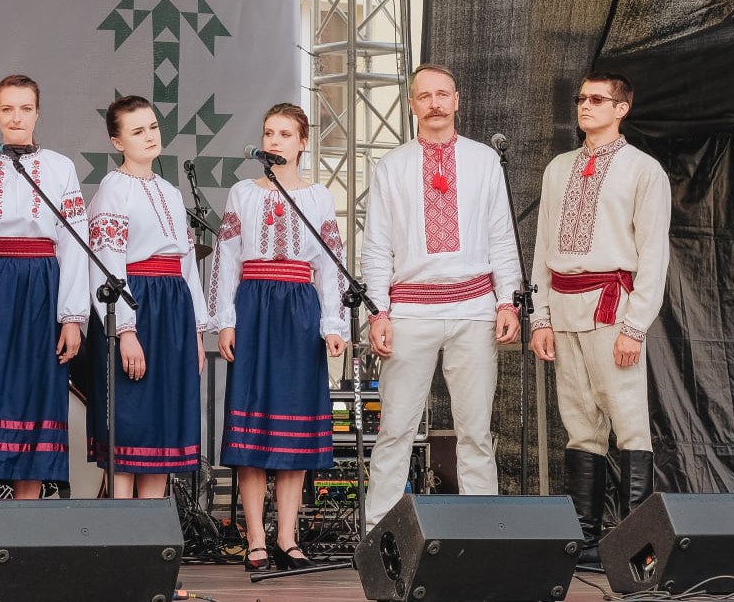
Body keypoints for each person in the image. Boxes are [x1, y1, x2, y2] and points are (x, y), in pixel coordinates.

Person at [360, 65, 522, 529]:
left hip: (474, 308)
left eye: (442, 94)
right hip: (410, 309)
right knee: (396, 429)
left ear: (457, 100)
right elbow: (376, 246)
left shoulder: (484, 160)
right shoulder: (391, 165)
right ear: (411, 104)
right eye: (424, 95)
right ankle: (380, 534)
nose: (434, 103)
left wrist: (507, 301)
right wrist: (378, 312)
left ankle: (484, 534)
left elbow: (501, 238)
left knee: (476, 432)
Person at [530, 72, 670, 546]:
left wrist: (636, 325)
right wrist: (540, 316)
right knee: (579, 425)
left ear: (621, 108)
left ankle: (634, 542)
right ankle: (587, 539)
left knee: (629, 422)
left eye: (596, 99)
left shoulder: (643, 169)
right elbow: (543, 245)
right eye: (581, 98)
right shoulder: (558, 168)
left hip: (613, 308)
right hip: (564, 305)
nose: (585, 106)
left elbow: (653, 254)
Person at [208, 103, 346, 572]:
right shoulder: (243, 193)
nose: (274, 141)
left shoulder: (319, 198)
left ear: (303, 143)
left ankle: (288, 538)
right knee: (252, 430)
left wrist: (333, 325)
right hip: (254, 308)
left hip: (299, 311)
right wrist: (224, 319)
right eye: (269, 132)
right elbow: (226, 260)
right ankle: (255, 539)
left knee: (294, 431)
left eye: (285, 134)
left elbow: (329, 267)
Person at [0, 74, 90, 499]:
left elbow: (74, 247)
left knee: (36, 396)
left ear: (38, 112)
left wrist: (72, 318)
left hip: (41, 288)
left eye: (25, 108)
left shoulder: (61, 167)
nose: (16, 117)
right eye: (7, 108)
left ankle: (26, 534)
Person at [85, 96, 208, 499]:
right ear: (117, 142)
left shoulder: (170, 191)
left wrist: (194, 332)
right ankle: (122, 535)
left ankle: (150, 536)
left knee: (161, 433)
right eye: (137, 131)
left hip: (173, 307)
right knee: (131, 423)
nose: (150, 136)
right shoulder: (113, 189)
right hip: (138, 304)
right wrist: (125, 329)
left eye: (152, 126)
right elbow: (108, 263)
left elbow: (186, 264)